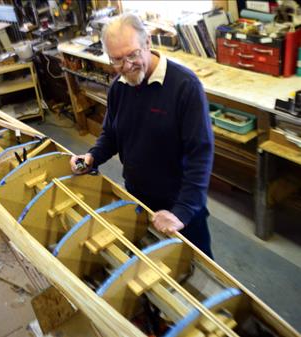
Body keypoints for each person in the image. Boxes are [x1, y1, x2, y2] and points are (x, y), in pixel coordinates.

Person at [70, 13, 214, 258]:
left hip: (179, 203)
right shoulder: (119, 86)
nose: (126, 67)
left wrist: (183, 211)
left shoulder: (184, 86)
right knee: (148, 261)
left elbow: (200, 154)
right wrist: (92, 157)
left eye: (132, 55)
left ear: (147, 43)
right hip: (137, 195)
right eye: (117, 60)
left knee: (198, 272)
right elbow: (112, 134)